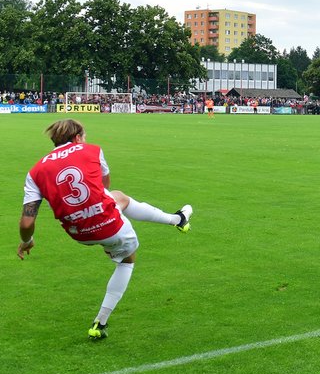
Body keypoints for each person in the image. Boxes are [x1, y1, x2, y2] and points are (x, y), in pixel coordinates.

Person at [17, 119, 192, 340]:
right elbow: (103, 186)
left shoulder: (35, 171)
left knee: (120, 197)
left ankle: (177, 219)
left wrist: (27, 241)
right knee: (127, 261)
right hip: (109, 225)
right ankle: (100, 323)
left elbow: (26, 223)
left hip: (78, 232)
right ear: (78, 137)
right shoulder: (92, 150)